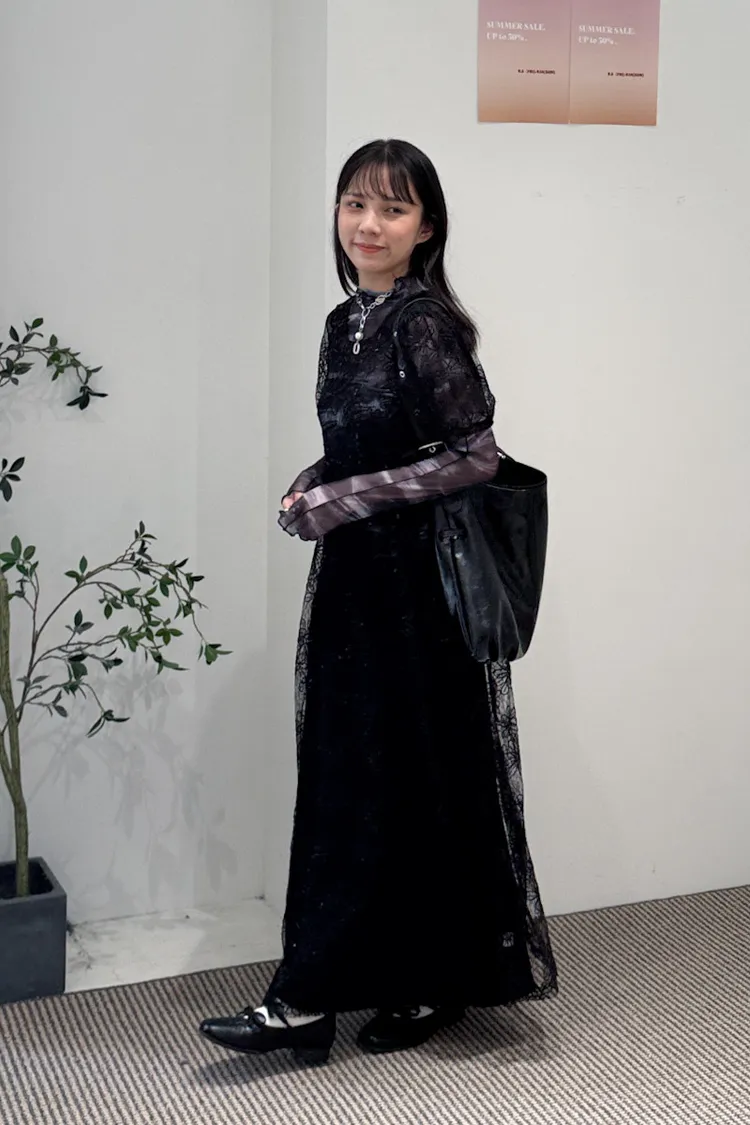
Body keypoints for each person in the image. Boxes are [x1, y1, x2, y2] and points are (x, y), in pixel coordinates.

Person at [199, 139, 558, 1065]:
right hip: (355, 585)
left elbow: (475, 455)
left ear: (425, 228)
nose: (369, 223)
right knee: (351, 779)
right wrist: (314, 478)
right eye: (355, 203)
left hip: (420, 595)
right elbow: (372, 441)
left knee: (409, 781)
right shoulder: (343, 321)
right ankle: (350, 984)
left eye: (393, 209)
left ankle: (333, 994)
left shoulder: (425, 323)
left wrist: (345, 497)